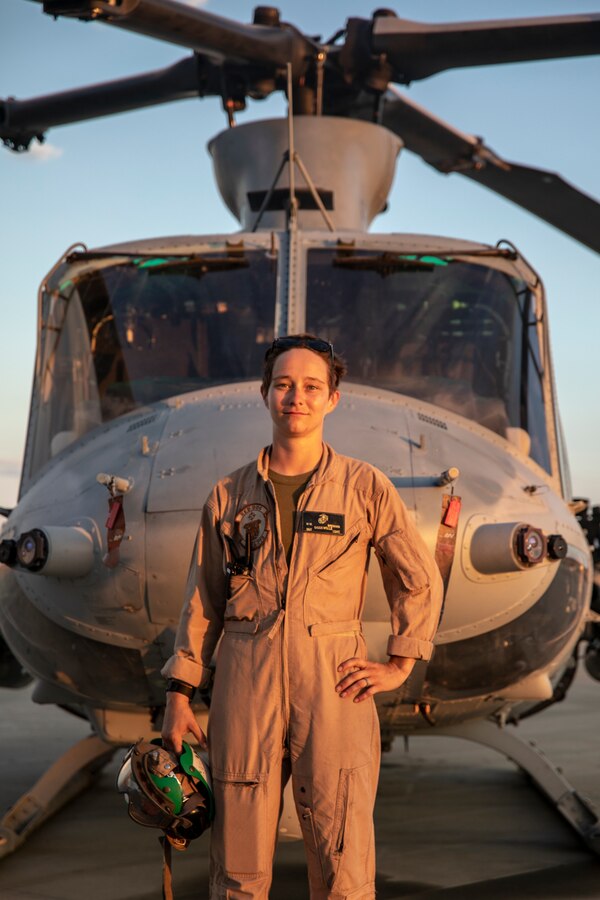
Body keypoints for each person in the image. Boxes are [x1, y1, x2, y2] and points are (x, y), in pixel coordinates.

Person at [161, 334, 443, 899]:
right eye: (284, 385)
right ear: (265, 395)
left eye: (312, 386)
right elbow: (204, 601)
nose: (297, 397)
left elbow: (417, 576)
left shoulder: (365, 488)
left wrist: (401, 661)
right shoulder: (228, 495)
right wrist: (179, 693)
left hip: (334, 682)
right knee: (237, 863)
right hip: (245, 680)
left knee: (344, 856)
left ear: (332, 399)